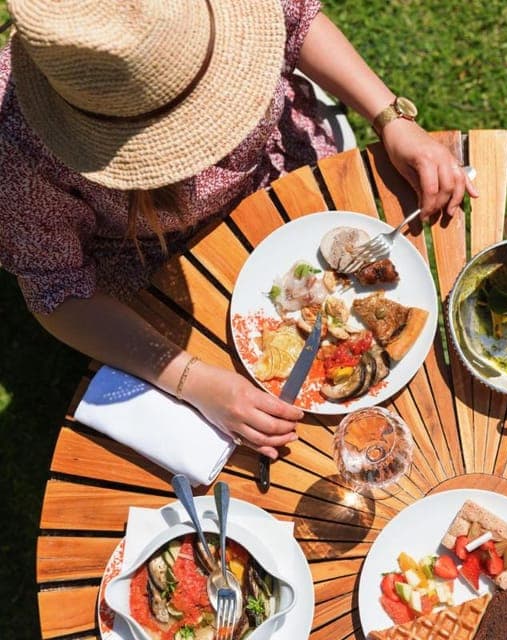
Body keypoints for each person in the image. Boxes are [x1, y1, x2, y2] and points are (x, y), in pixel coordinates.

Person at [0, 0, 477, 460]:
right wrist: (194, 381)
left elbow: (297, 20)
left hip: (287, 164)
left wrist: (391, 118)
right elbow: (59, 290)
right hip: (163, 265)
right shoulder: (15, 148)